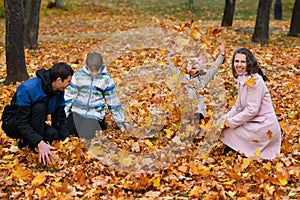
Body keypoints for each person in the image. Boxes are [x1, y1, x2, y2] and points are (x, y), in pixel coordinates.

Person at [1, 62, 74, 165]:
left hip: (35, 122)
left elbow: (59, 119)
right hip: (13, 123)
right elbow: (22, 122)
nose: (70, 84)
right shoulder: (28, 88)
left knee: (52, 134)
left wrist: (65, 140)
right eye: (68, 81)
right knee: (40, 106)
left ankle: (25, 143)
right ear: (58, 80)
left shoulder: (59, 90)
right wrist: (39, 142)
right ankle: (33, 146)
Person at [220, 48, 281, 159]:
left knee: (229, 129)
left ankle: (238, 149)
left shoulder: (255, 81)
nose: (239, 65)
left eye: (242, 62)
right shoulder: (242, 78)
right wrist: (222, 120)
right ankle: (235, 148)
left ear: (249, 63)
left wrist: (230, 122)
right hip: (253, 121)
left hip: (264, 126)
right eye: (236, 61)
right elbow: (238, 106)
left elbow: (252, 110)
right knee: (223, 127)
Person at [64, 51, 126, 140]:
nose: (94, 73)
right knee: (68, 131)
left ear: (101, 66)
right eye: (91, 70)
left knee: (86, 134)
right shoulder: (78, 76)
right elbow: (69, 97)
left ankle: (100, 123)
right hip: (77, 111)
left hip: (94, 113)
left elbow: (113, 102)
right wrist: (64, 116)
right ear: (87, 67)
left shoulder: (106, 79)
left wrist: (120, 122)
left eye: (97, 70)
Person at [167, 42, 225, 133]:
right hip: (186, 107)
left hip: (198, 108)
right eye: (190, 63)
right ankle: (189, 129)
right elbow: (172, 67)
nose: (193, 65)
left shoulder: (202, 79)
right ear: (186, 67)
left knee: (198, 113)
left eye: (196, 63)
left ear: (201, 67)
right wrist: (171, 52)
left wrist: (221, 54)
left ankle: (198, 129)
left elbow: (214, 68)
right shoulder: (182, 77)